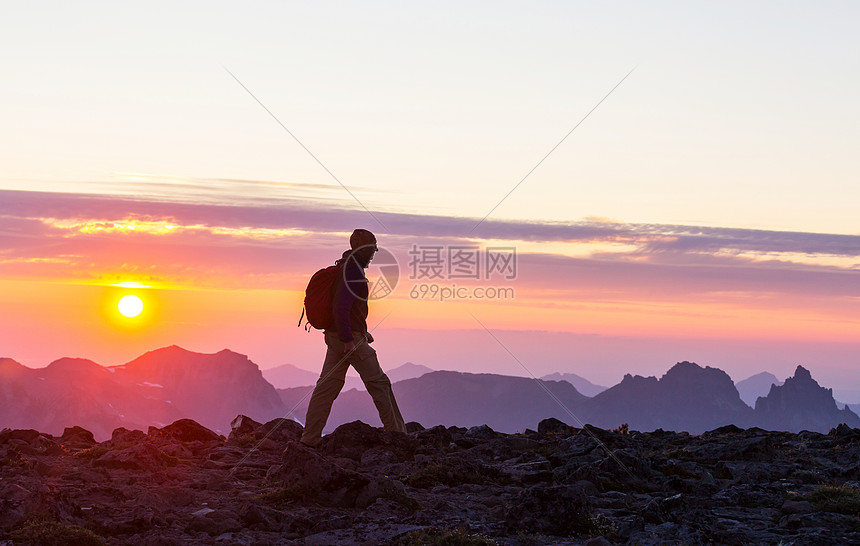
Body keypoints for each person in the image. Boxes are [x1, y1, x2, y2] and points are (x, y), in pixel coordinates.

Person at [300, 229, 406, 447]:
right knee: (380, 384)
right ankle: (398, 437)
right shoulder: (353, 270)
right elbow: (341, 307)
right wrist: (350, 338)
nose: (374, 253)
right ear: (363, 248)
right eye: (372, 248)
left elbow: (348, 308)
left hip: (336, 338)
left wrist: (360, 331)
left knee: (326, 389)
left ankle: (309, 440)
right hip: (347, 340)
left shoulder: (344, 265)